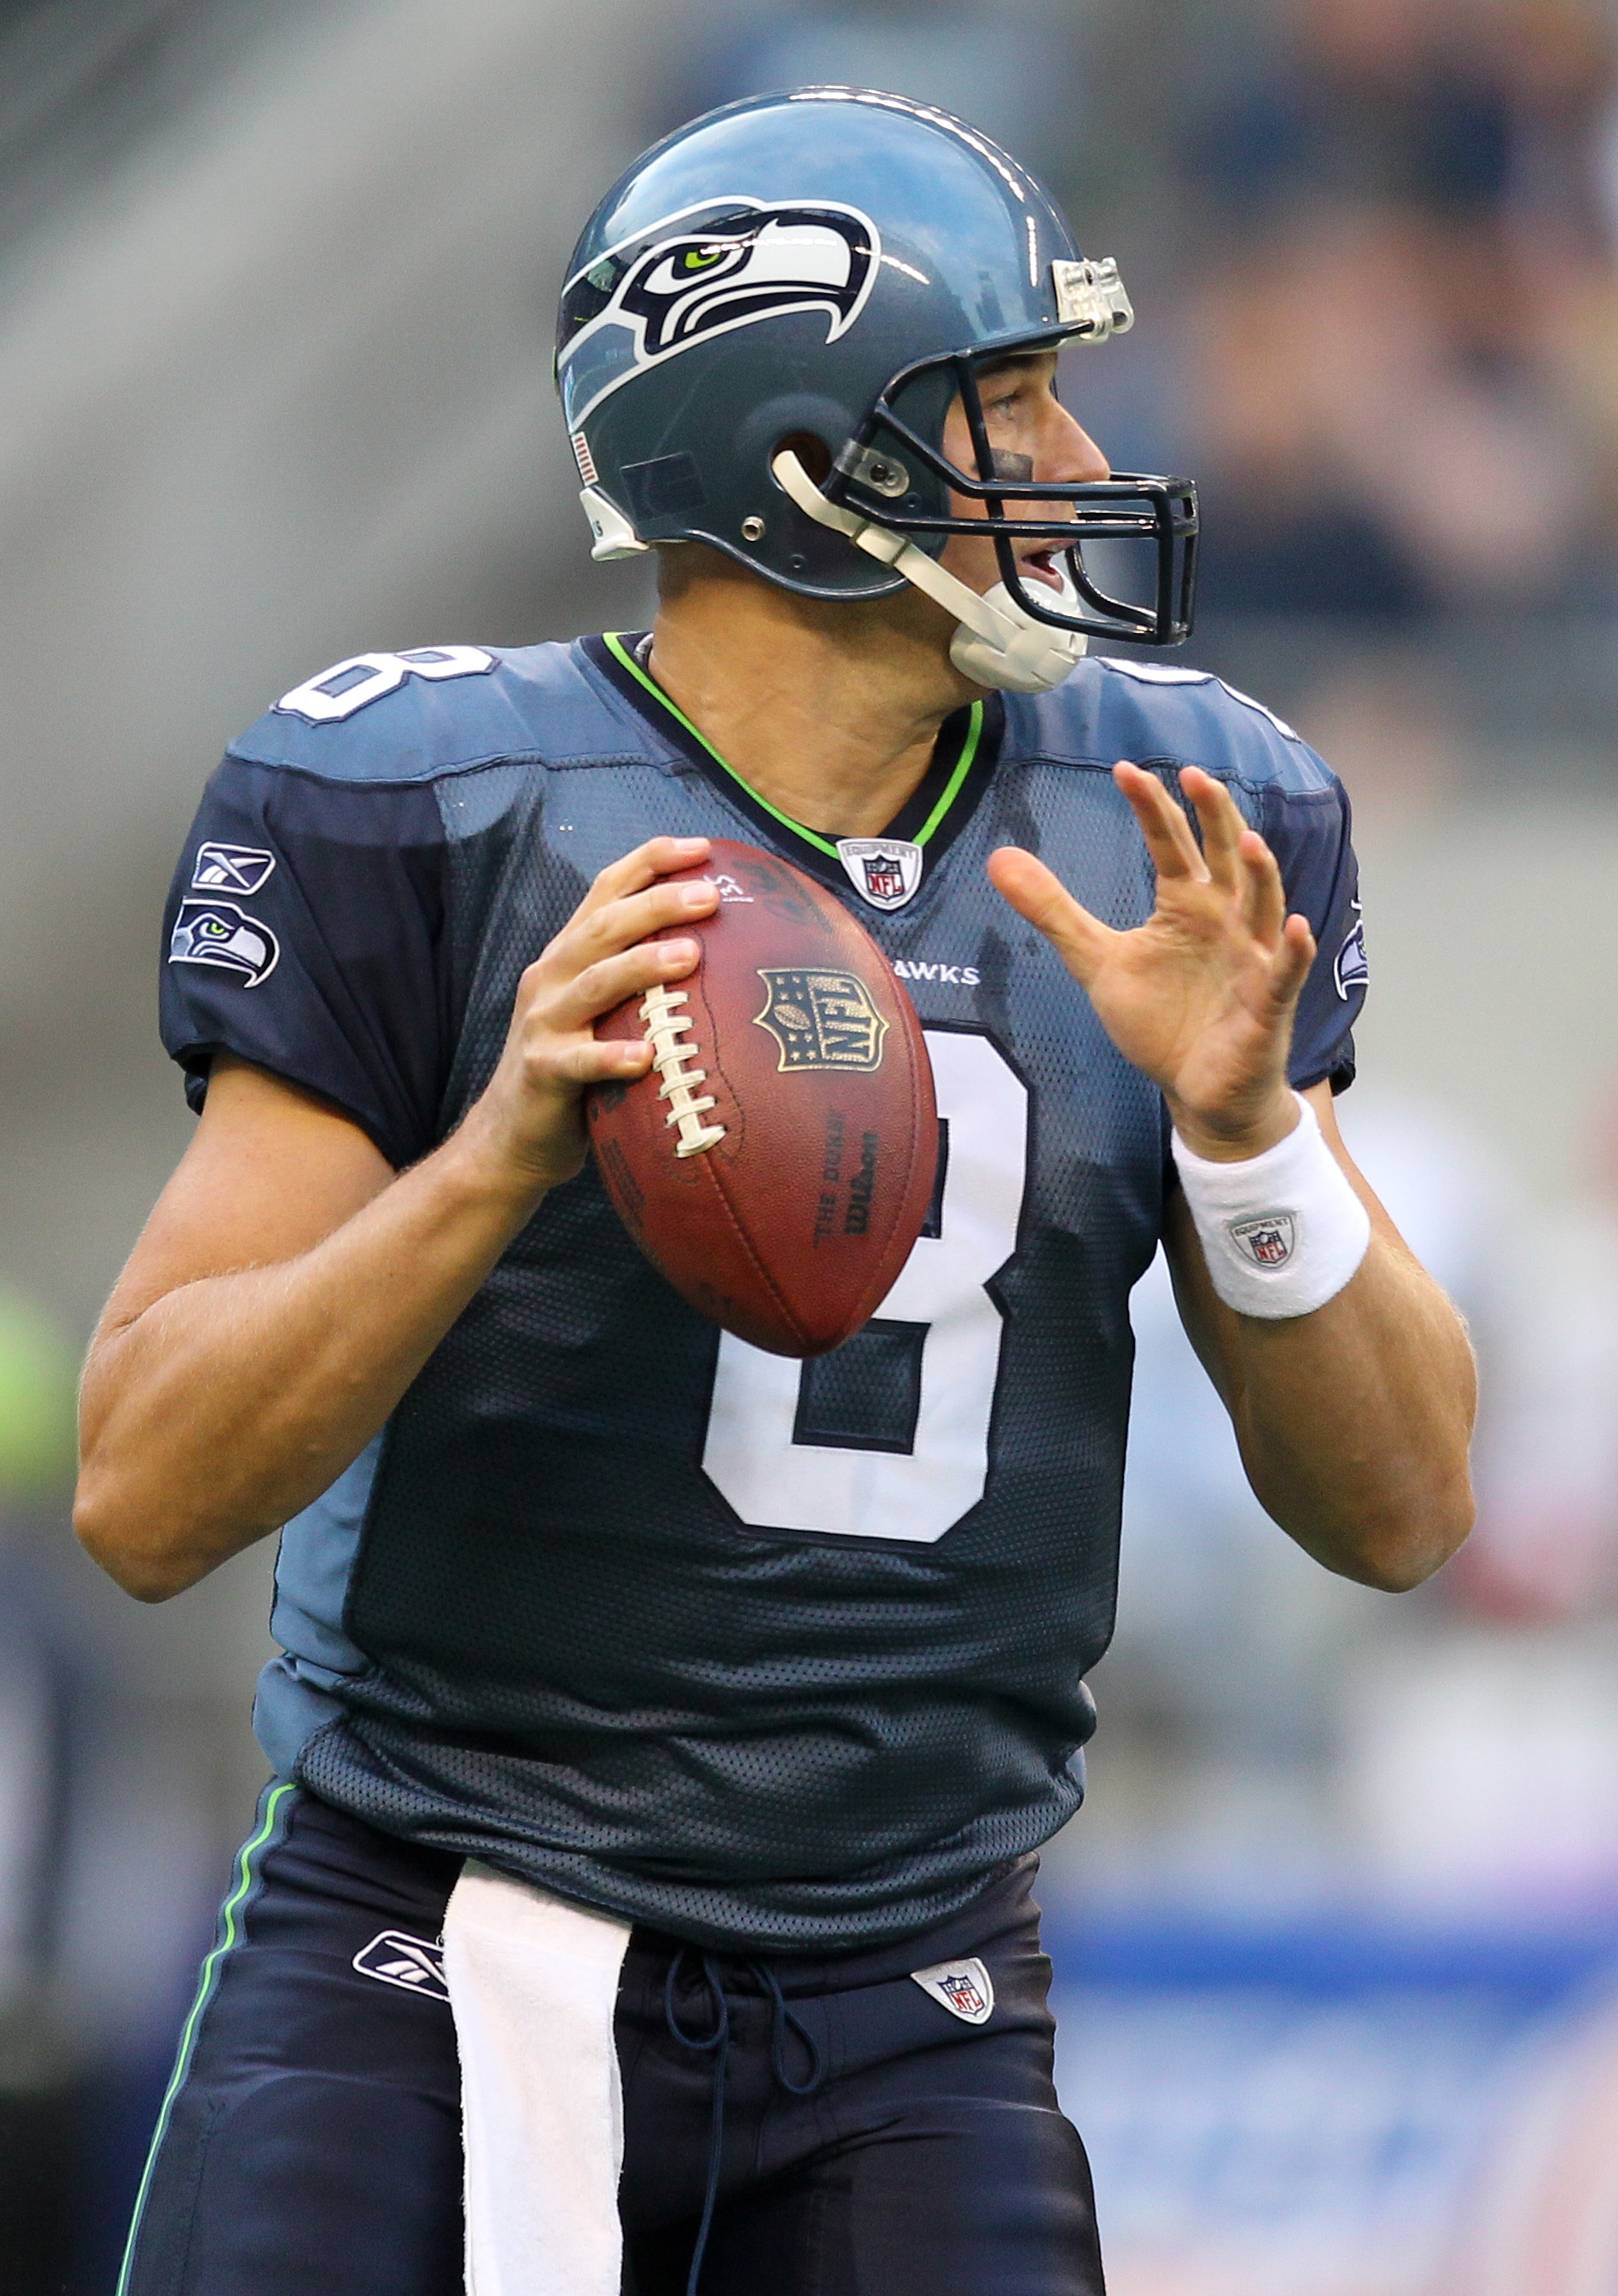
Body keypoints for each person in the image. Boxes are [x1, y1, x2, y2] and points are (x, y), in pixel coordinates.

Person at [76, 88, 1475, 2296]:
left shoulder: (1194, 809)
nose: (1070, 441)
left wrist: (1251, 1134)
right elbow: (146, 1487)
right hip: (428, 1947)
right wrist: (500, 1151)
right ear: (803, 453)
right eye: (1003, 396)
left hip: (912, 1995)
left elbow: (1402, 1510)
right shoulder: (428, 799)